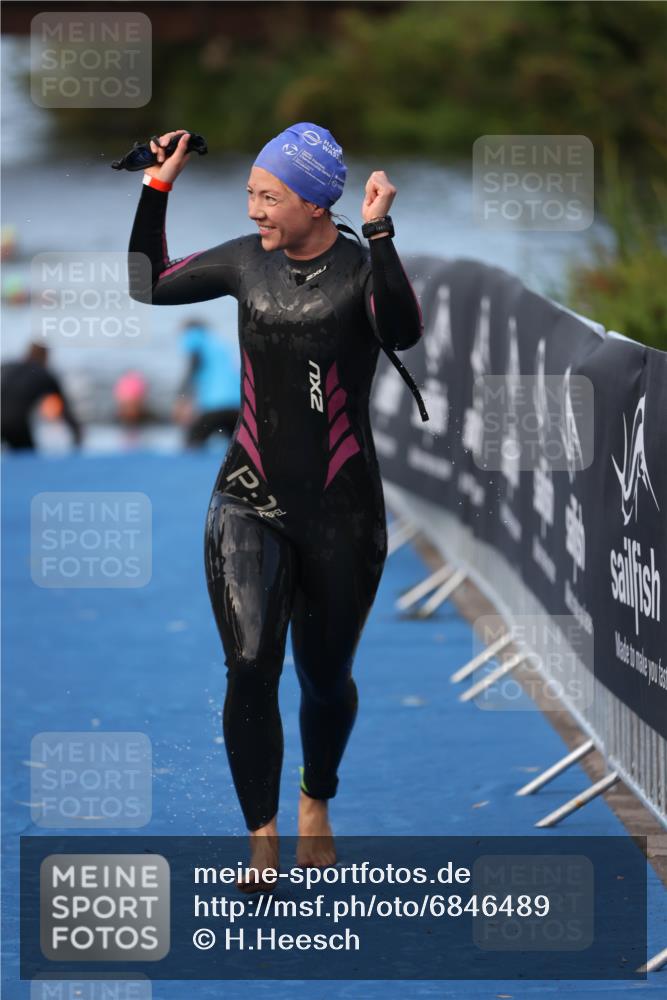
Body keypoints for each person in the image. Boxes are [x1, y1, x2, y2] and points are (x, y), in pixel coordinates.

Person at [127, 122, 426, 890]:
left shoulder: (361, 268)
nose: (255, 209)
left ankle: (314, 802)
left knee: (325, 680)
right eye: (251, 193)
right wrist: (156, 186)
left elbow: (403, 329)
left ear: (316, 202)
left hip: (342, 512)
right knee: (250, 665)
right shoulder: (242, 261)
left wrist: (384, 231)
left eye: (269, 195)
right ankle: (260, 835)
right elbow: (147, 281)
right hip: (246, 496)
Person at [1, 342, 82, 450]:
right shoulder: (43, 374)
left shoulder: (5, 367)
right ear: (45, 356)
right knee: (26, 461)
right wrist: (77, 436)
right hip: (16, 424)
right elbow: (65, 410)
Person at [174, 318, 240, 447]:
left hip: (214, 405)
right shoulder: (220, 344)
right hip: (237, 405)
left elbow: (194, 365)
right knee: (234, 448)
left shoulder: (194, 336)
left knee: (192, 444)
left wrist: (182, 396)